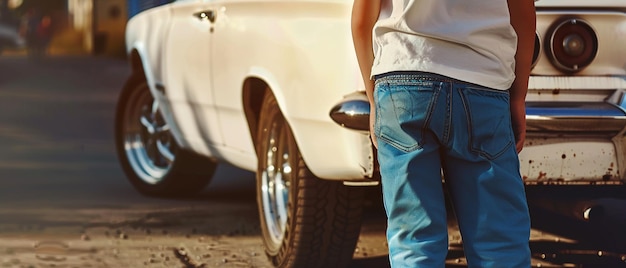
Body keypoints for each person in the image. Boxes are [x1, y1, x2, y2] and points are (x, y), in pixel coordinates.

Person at [351, 0, 536, 267]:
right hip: (483, 82)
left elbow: (360, 21)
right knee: (499, 243)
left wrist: (373, 100)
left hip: (403, 79)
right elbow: (524, 15)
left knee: (414, 245)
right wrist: (518, 97)